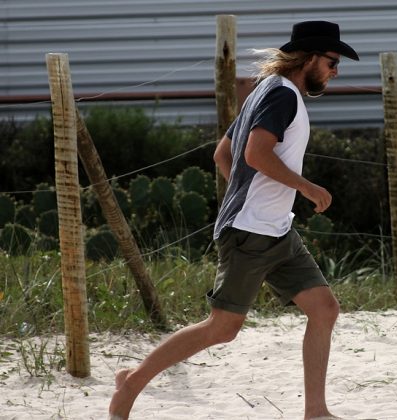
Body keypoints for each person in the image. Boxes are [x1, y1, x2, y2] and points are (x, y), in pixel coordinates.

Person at [108, 20, 359, 420]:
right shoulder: (282, 97)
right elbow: (255, 155)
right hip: (250, 232)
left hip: (275, 228)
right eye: (332, 61)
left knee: (324, 308)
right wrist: (306, 188)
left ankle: (316, 412)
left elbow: (222, 155)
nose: (335, 71)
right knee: (222, 328)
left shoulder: (267, 91)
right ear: (309, 58)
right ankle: (132, 381)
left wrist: (253, 194)